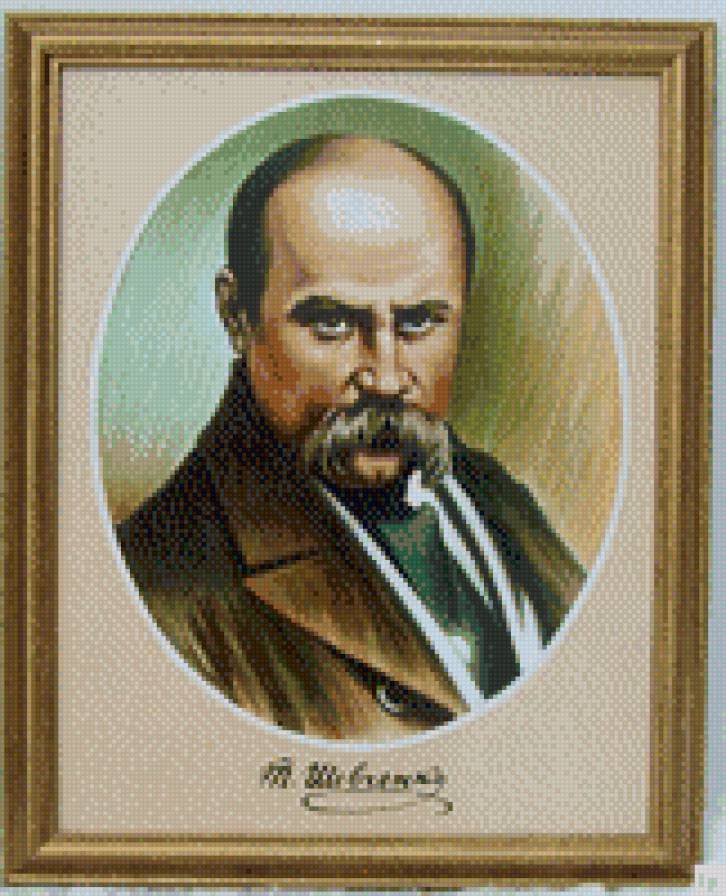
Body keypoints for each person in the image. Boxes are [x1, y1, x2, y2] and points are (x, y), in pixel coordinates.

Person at [116, 135, 585, 741]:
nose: (386, 378)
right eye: (332, 323)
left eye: (419, 322)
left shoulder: (497, 499)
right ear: (236, 314)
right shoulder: (161, 587)